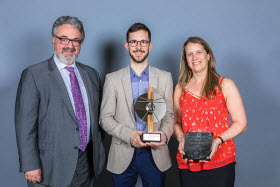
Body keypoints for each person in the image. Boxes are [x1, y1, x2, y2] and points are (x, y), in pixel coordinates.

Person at [15, 16, 105, 187]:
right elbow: (25, 125)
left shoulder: (91, 74)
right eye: (64, 39)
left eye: (76, 40)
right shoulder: (34, 75)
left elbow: (96, 119)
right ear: (53, 39)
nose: (70, 45)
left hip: (87, 163)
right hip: (50, 166)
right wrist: (30, 164)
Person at [99, 23, 174, 187]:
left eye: (143, 42)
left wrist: (165, 135)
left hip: (155, 154)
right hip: (122, 152)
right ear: (127, 46)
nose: (138, 47)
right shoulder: (112, 79)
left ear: (150, 45)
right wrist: (129, 134)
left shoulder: (164, 77)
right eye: (134, 42)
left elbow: (169, 116)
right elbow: (105, 118)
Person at [173, 36, 247, 187]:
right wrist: (181, 139)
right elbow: (176, 122)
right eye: (190, 54)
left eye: (199, 52)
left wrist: (217, 141)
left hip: (220, 161)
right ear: (185, 59)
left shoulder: (225, 85)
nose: (195, 58)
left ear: (208, 55)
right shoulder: (180, 87)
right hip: (189, 161)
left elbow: (241, 123)